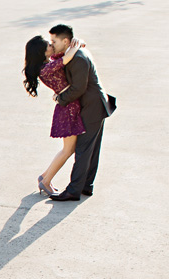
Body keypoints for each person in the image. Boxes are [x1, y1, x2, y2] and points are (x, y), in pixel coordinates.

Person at [46, 24, 116, 201]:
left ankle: (73, 190)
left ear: (66, 41)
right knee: (91, 147)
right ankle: (86, 186)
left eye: (54, 41)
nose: (51, 44)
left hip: (93, 106)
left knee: (84, 148)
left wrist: (59, 99)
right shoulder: (72, 53)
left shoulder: (78, 58)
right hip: (94, 105)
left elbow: (78, 88)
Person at [23, 34, 87, 195]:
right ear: (43, 52)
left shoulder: (47, 64)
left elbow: (66, 54)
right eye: (49, 45)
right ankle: (46, 181)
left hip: (67, 105)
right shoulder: (46, 69)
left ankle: (44, 176)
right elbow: (69, 56)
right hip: (68, 107)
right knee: (68, 149)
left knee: (68, 149)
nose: (52, 46)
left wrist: (79, 43)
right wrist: (76, 44)